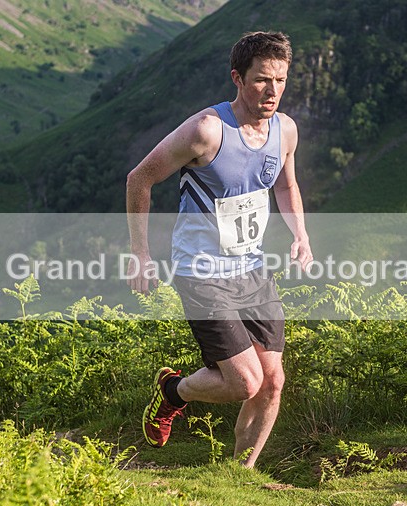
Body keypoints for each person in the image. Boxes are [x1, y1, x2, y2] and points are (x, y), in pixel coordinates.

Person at [125, 31, 312, 468]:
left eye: (281, 81)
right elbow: (139, 178)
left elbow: (286, 184)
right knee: (245, 383)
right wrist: (141, 254)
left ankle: (239, 476)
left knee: (272, 383)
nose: (273, 91)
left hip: (252, 270)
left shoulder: (284, 130)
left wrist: (300, 234)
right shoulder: (207, 131)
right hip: (202, 271)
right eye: (262, 80)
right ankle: (174, 390)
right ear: (237, 78)